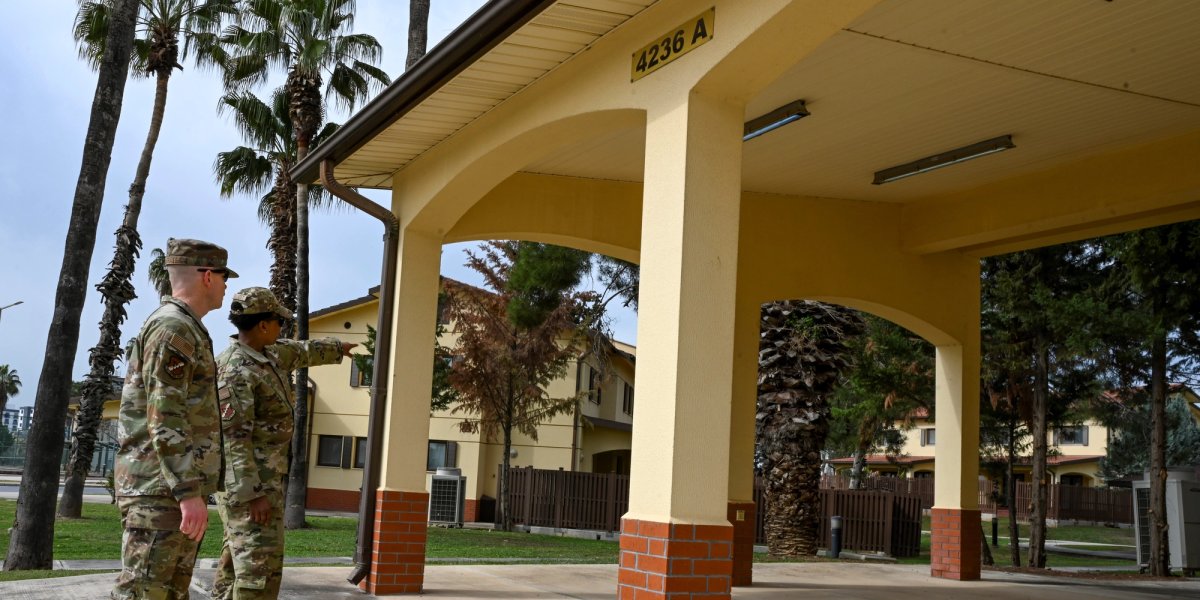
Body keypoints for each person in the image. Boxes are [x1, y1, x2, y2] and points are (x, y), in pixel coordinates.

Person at [112, 238, 237, 600]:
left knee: (167, 592)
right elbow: (164, 413)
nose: (227, 286)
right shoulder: (174, 328)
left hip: (167, 489)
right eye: (225, 277)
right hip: (159, 491)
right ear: (208, 277)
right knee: (143, 591)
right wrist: (186, 491)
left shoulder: (185, 326)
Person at [210, 287, 355, 599]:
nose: (282, 327)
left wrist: (339, 348)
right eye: (279, 321)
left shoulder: (269, 354)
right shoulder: (235, 371)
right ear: (263, 325)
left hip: (265, 482)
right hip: (249, 489)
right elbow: (233, 440)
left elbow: (302, 351)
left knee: (236, 562)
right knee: (259, 573)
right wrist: (252, 496)